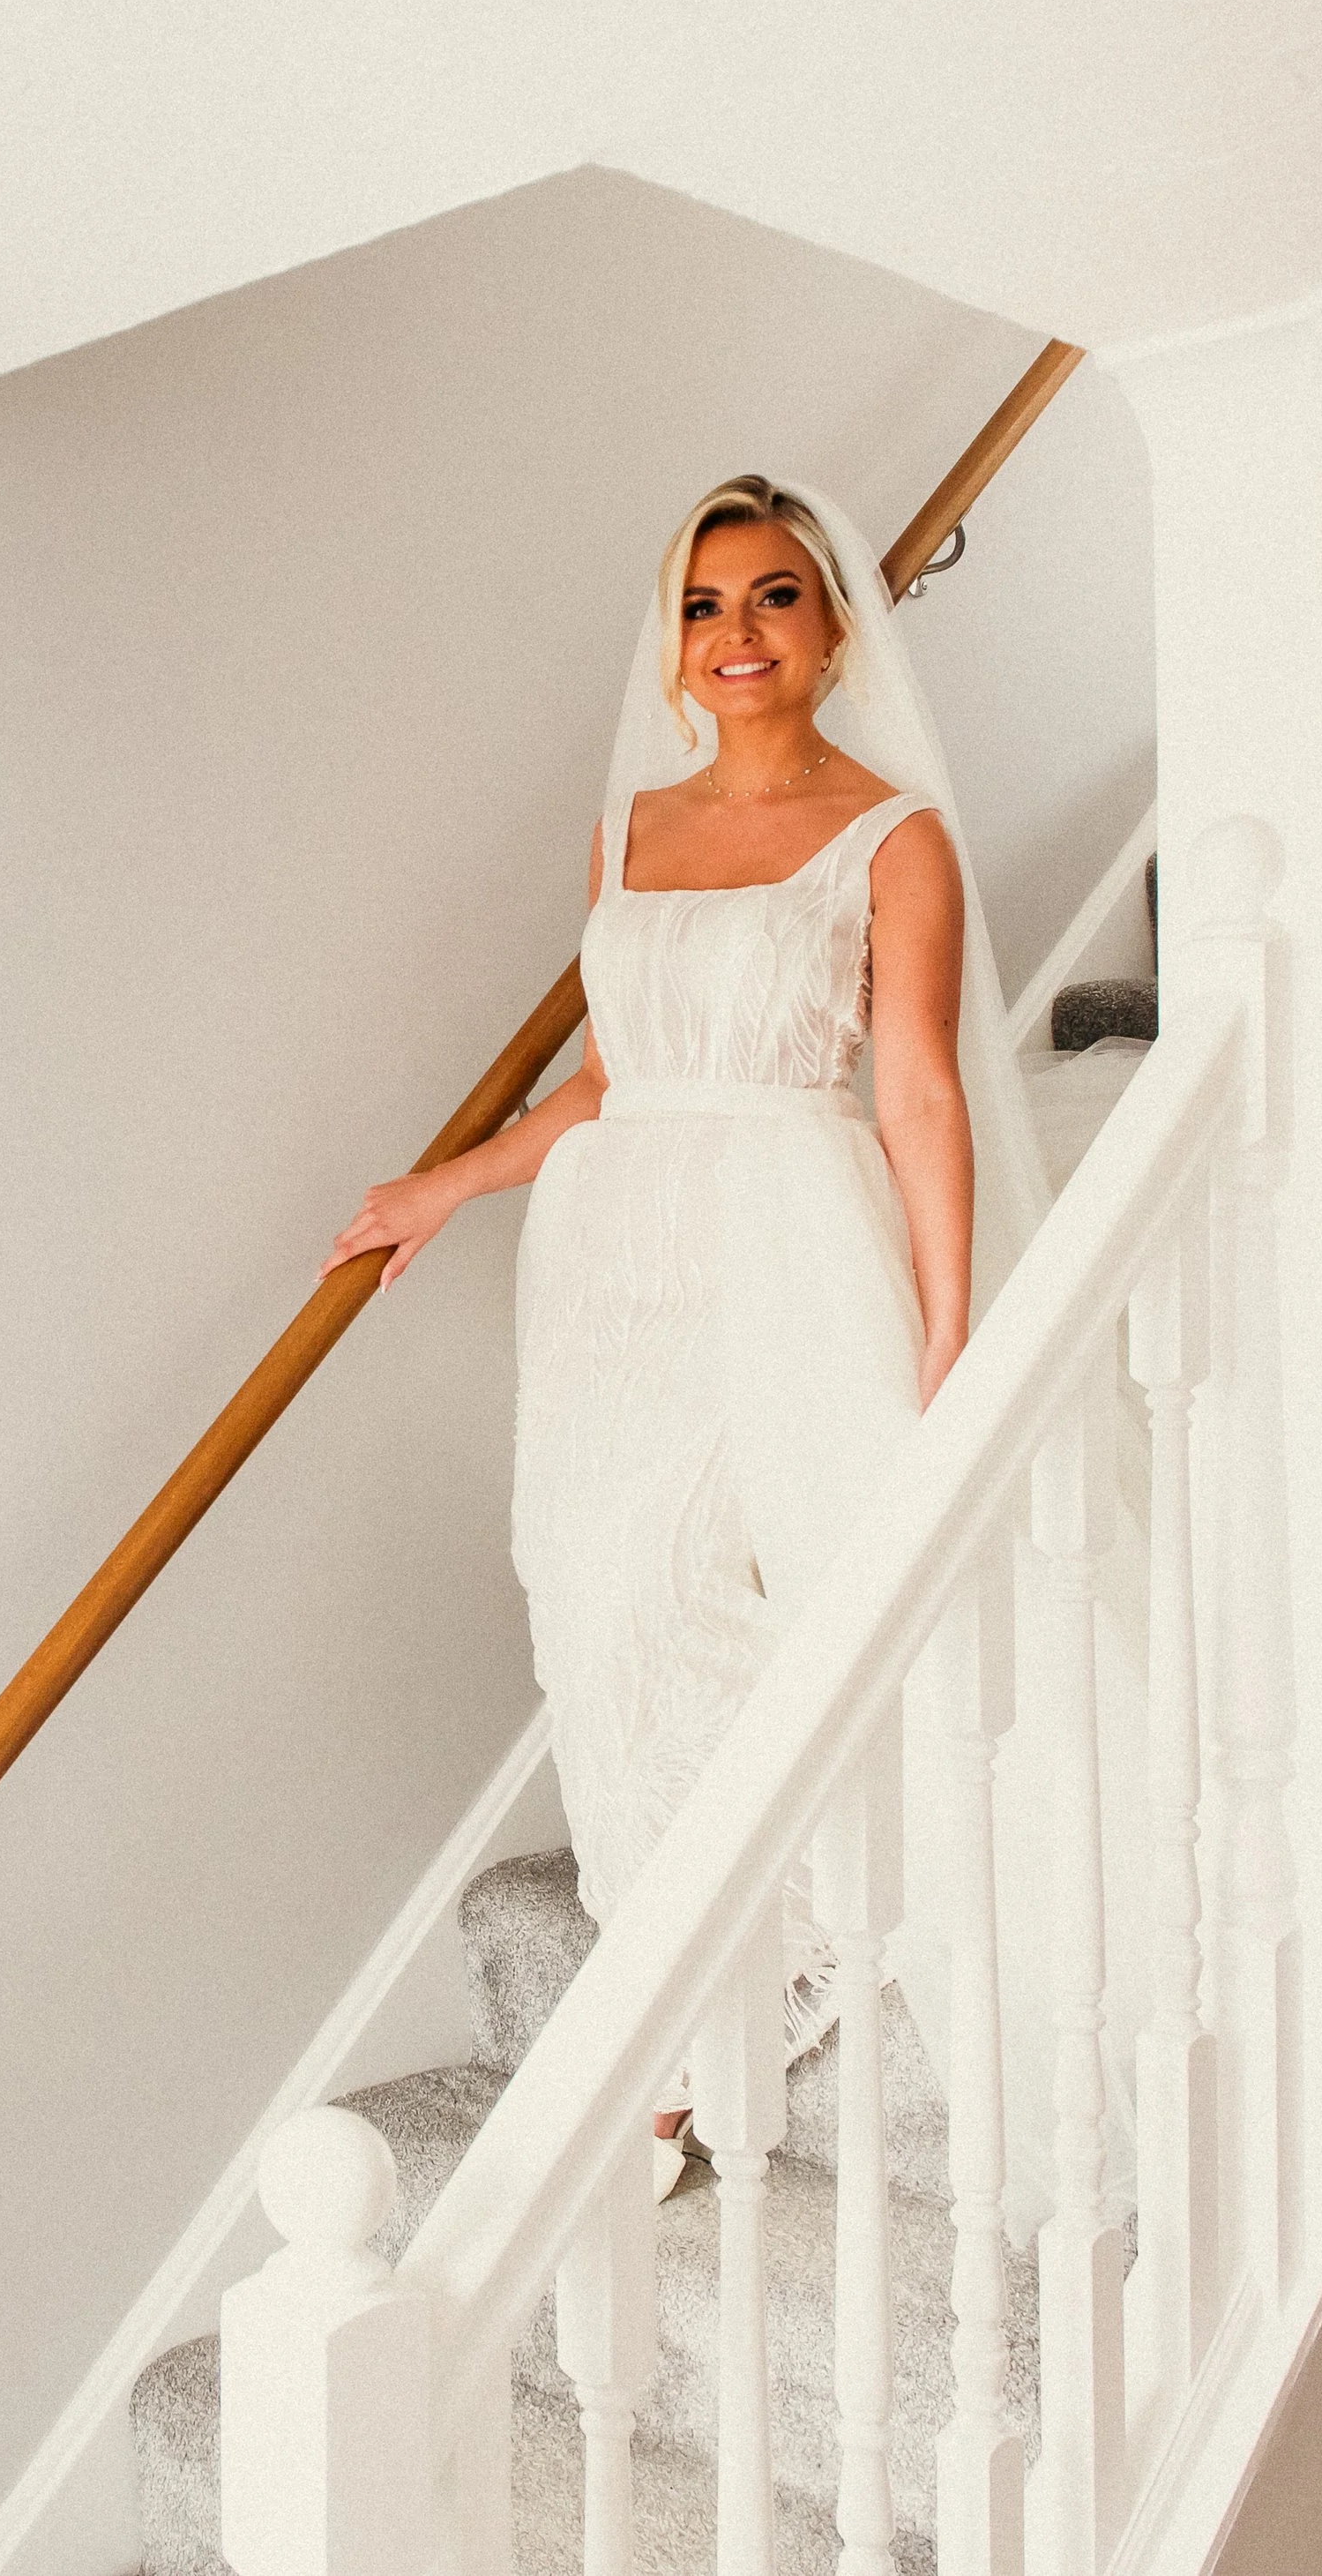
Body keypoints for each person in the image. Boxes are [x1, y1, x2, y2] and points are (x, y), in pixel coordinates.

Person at [321, 475, 1049, 2197]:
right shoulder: (631, 830)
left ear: (835, 626)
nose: (737, 633)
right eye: (706, 603)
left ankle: (686, 2049)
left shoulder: (895, 836)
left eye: (774, 596)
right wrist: (454, 1182)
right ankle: (682, 1984)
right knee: (600, 1612)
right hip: (610, 1257)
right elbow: (611, 1069)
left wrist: (947, 1329)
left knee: (786, 1598)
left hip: (788, 1232)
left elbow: (920, 1083)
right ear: (676, 641)